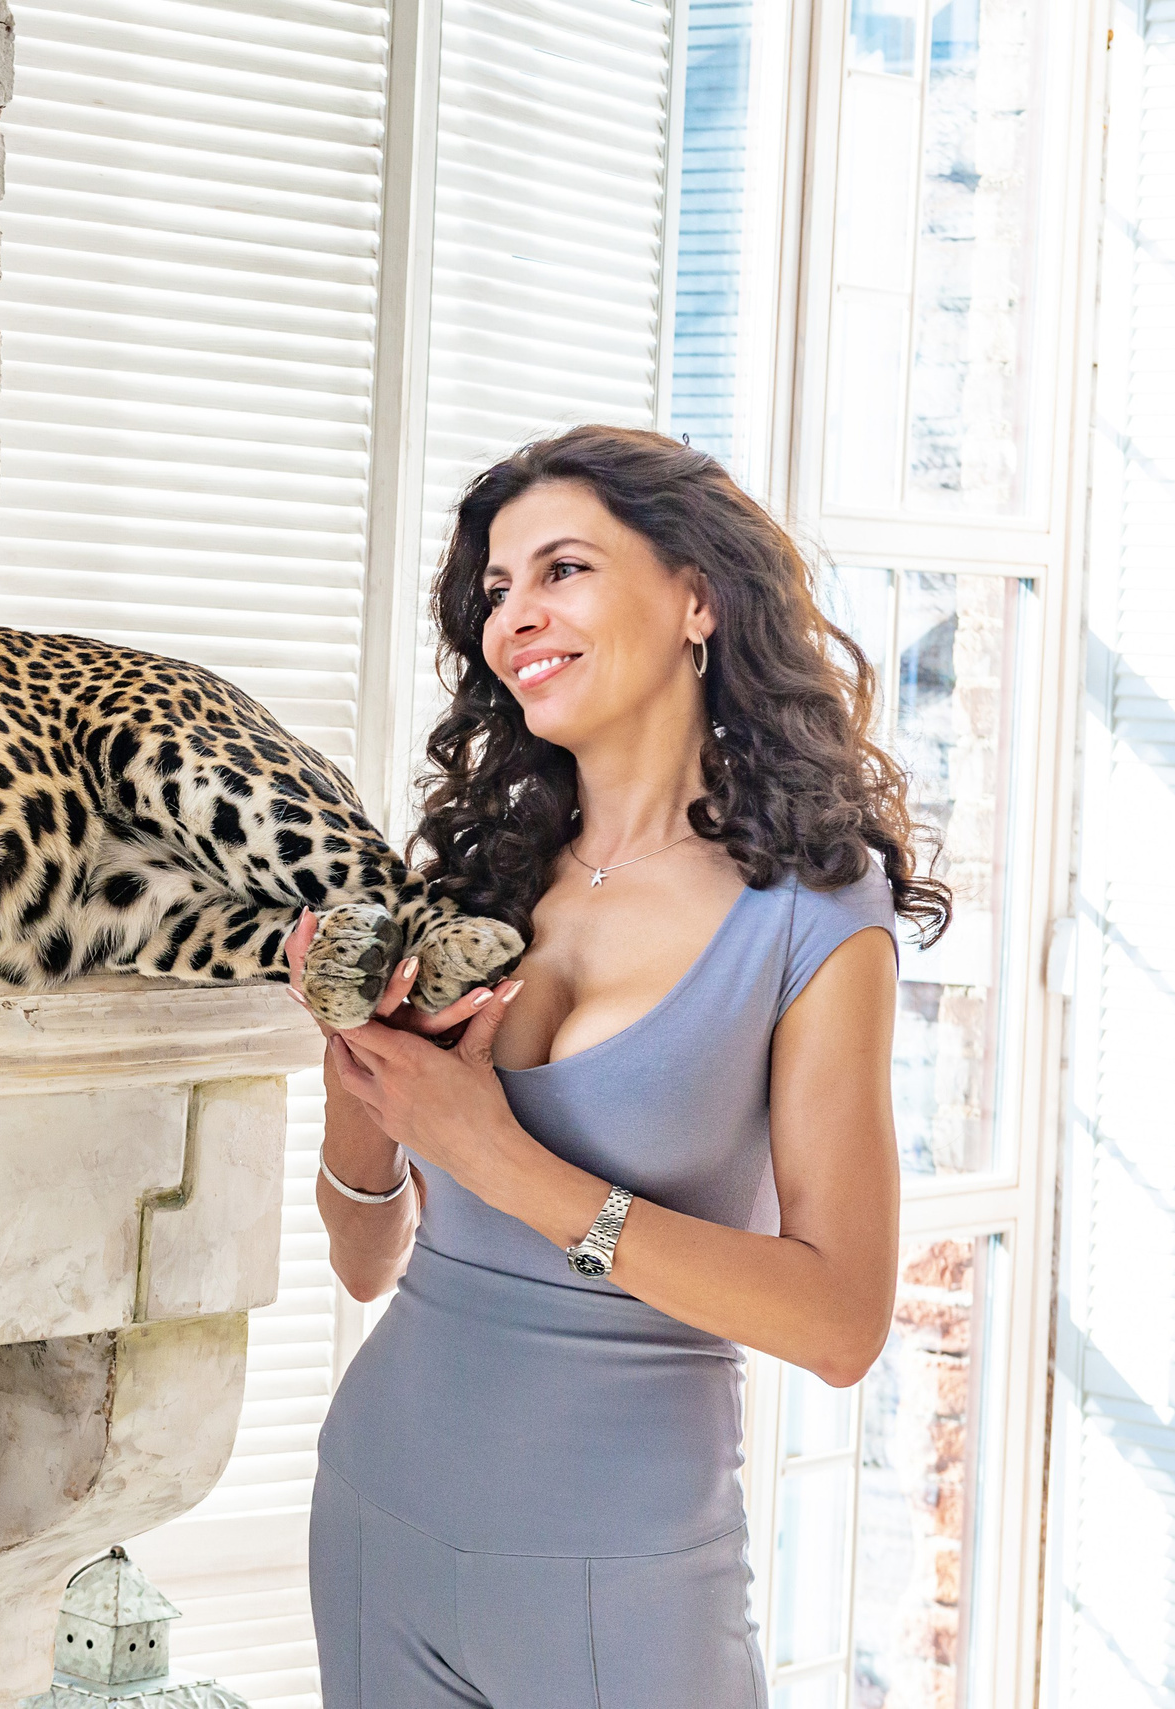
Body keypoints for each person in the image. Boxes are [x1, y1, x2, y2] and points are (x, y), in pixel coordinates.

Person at [281, 425, 950, 1707]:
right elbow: (366, 1259)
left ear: (698, 597)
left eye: (563, 569)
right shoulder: (479, 876)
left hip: (625, 1570)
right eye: (496, 588)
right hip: (377, 1515)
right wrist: (356, 1063)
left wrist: (495, 1155)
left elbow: (839, 1321)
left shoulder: (809, 912)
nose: (514, 615)